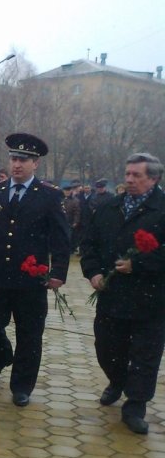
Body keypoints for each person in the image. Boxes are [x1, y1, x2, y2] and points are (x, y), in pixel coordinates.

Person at [0, 134, 70, 406]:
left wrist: (58, 272)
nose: (17, 164)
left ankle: (22, 386)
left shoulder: (49, 196)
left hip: (30, 280)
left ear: (35, 163)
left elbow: (61, 237)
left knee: (29, 334)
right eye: (14, 159)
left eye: (24, 160)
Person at [80, 152, 165, 435]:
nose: (129, 179)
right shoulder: (109, 207)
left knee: (145, 356)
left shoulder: (161, 209)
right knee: (107, 348)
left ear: (154, 178)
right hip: (112, 296)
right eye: (127, 174)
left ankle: (135, 406)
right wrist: (93, 272)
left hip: (150, 299)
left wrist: (138, 264)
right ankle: (117, 381)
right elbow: (89, 244)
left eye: (136, 175)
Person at [64, 183, 81, 253]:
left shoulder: (75, 200)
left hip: (70, 221)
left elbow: (77, 212)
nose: (67, 192)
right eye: (66, 190)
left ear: (71, 191)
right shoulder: (60, 198)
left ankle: (69, 249)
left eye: (68, 190)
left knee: (69, 236)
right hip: (60, 221)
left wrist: (76, 221)